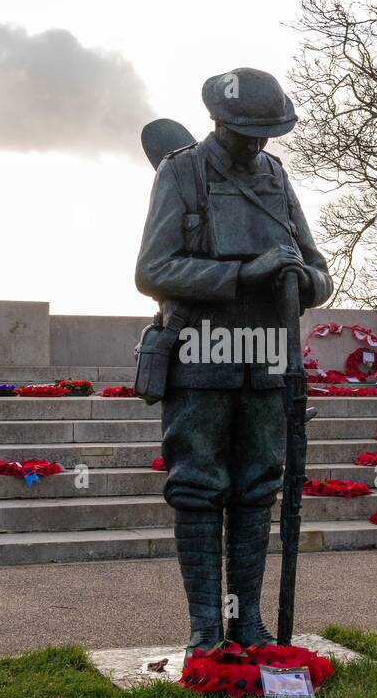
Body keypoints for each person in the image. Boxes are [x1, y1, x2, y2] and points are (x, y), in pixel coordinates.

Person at [135, 67, 332, 649]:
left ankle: (247, 621)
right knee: (198, 486)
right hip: (202, 353)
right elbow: (153, 270)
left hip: (269, 359)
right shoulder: (181, 173)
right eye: (249, 132)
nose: (259, 144)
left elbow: (321, 274)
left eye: (267, 132)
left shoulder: (274, 176)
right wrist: (246, 274)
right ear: (220, 123)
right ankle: (205, 628)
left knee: (257, 487)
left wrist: (303, 278)